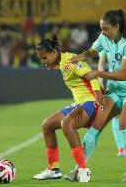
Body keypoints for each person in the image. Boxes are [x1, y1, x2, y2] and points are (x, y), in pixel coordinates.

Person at [66, 9, 126, 182]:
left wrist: (98, 74)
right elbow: (89, 53)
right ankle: (79, 169)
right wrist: (73, 59)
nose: (102, 32)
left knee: (124, 124)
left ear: (117, 27)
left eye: (106, 28)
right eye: (101, 28)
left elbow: (125, 74)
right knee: (96, 125)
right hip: (114, 90)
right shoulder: (104, 39)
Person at [32, 35, 103, 182]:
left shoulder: (71, 61)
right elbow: (60, 66)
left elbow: (92, 76)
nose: (43, 62)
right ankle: (54, 169)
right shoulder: (62, 63)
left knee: (67, 124)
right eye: (41, 59)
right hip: (79, 103)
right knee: (47, 125)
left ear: (54, 53)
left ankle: (83, 169)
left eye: (45, 58)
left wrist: (98, 96)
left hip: (90, 102)